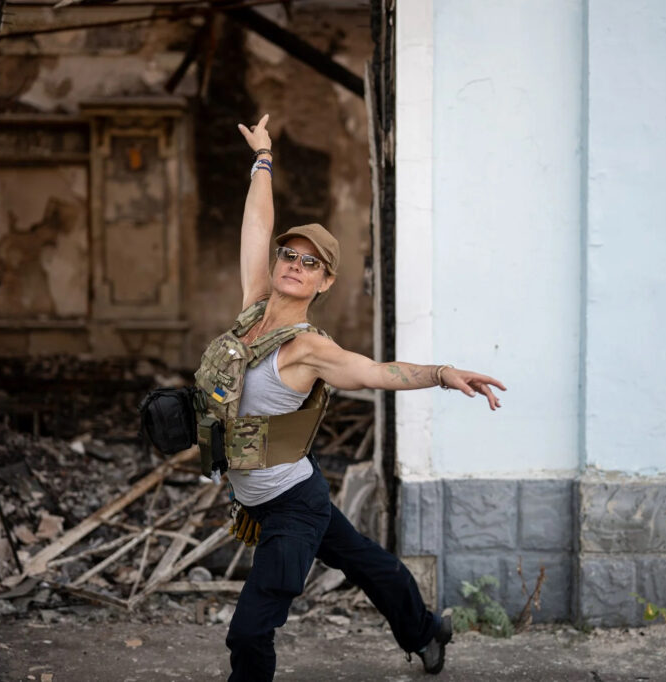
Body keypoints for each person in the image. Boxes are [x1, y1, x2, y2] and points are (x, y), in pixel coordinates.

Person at [213, 114, 506, 681]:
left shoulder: (308, 348)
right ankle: (426, 629)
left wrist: (443, 373)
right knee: (368, 564)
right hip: (281, 487)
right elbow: (255, 224)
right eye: (289, 256)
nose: (295, 265)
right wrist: (264, 158)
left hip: (291, 506)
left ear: (324, 282)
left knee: (249, 630)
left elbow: (376, 372)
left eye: (311, 263)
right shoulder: (253, 307)